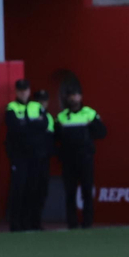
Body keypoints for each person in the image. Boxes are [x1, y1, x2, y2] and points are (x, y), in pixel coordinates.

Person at [4, 79, 54, 231]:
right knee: (18, 189)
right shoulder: (11, 107)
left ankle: (31, 223)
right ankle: (15, 224)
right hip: (19, 156)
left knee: (34, 189)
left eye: (25, 90)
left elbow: (44, 123)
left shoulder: (36, 106)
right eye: (20, 90)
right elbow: (14, 127)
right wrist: (32, 123)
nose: (23, 92)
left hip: (35, 156)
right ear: (16, 91)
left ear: (29, 91)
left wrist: (25, 123)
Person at [54, 85, 106, 229]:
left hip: (85, 159)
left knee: (87, 191)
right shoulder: (62, 116)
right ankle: (72, 224)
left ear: (80, 97)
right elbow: (55, 137)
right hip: (68, 161)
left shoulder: (89, 113)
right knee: (70, 193)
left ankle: (87, 223)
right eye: (71, 95)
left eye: (76, 95)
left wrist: (92, 124)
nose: (73, 98)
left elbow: (102, 132)